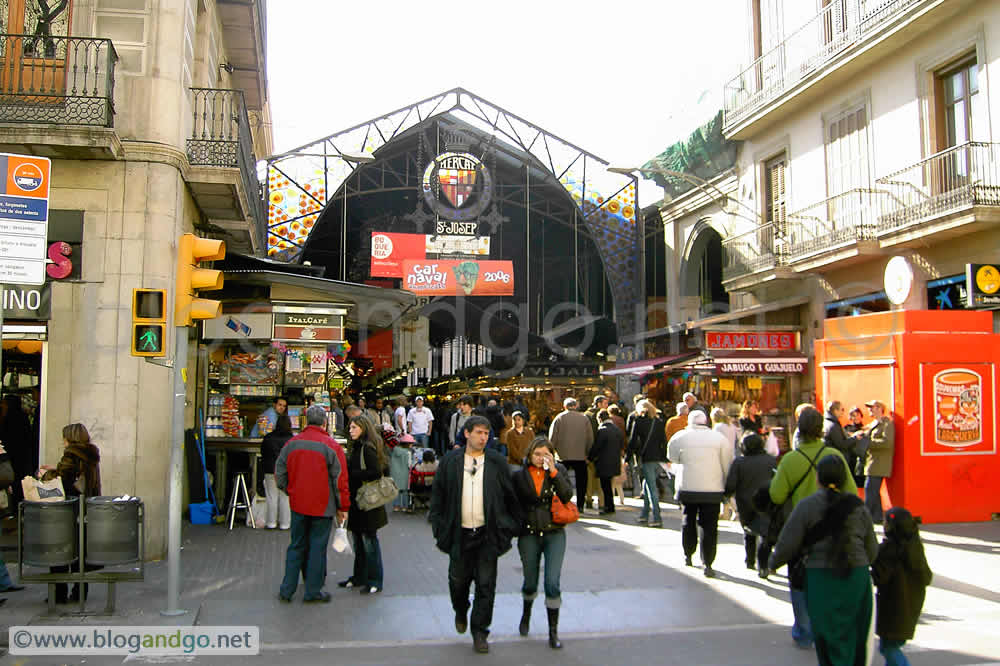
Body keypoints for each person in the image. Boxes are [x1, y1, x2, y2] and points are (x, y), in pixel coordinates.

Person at [769, 455, 877, 666]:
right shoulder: (858, 506)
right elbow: (871, 548)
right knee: (855, 633)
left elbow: (788, 542)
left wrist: (773, 563)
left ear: (818, 477)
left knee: (826, 634)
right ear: (845, 479)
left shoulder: (806, 506)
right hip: (856, 576)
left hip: (821, 578)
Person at [429, 415, 522, 654]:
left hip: (487, 534)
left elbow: (511, 496)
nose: (484, 437)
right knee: (457, 582)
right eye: (479, 432)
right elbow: (438, 496)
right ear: (467, 433)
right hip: (459, 534)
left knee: (486, 585)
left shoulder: (496, 462)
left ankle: (480, 632)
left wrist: (509, 527)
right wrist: (439, 527)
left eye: (486, 433)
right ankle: (461, 610)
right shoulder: (450, 461)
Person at [769, 406, 857, 649]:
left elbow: (776, 496)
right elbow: (850, 492)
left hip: (801, 532)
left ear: (800, 430)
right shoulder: (834, 456)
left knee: (798, 581)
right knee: (829, 578)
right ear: (820, 430)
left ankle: (803, 629)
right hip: (833, 529)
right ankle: (825, 624)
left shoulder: (790, 460)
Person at [275, 406, 347, 603]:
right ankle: (313, 590)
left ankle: (287, 589)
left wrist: (289, 489)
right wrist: (342, 507)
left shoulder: (292, 444)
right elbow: (340, 481)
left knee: (296, 545)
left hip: (298, 503)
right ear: (325, 422)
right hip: (323, 507)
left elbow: (279, 472)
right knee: (317, 547)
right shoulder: (333, 447)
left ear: (306, 422)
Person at [511, 436, 574, 649]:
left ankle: (553, 632)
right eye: (536, 454)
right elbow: (513, 504)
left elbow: (567, 495)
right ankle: (526, 613)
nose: (540, 459)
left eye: (545, 454)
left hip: (554, 532)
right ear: (529, 455)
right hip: (528, 533)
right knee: (530, 581)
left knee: (552, 582)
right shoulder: (519, 476)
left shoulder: (558, 471)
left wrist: (554, 472)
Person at [668, 410, 733, 576]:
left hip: (687, 487)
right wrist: (727, 488)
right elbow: (727, 464)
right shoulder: (719, 439)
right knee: (710, 526)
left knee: (688, 520)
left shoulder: (679, 437)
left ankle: (688, 554)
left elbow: (672, 457)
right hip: (712, 489)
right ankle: (708, 562)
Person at [41, 423, 101, 603]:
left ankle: (59, 594)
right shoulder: (91, 454)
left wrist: (46, 473)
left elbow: (63, 479)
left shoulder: (71, 454)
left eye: (64, 437)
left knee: (59, 548)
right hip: (86, 506)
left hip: (69, 508)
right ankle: (80, 591)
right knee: (80, 550)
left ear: (69, 438)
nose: (63, 441)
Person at [871, 506, 933, 666]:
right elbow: (927, 577)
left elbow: (880, 577)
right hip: (912, 604)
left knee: (888, 648)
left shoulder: (889, 549)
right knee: (893, 645)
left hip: (893, 606)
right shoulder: (915, 546)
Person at [340, 415, 389, 595]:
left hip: (367, 503)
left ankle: (375, 580)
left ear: (363, 428)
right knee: (360, 542)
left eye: (354, 427)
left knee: (368, 542)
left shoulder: (366, 449)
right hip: (360, 503)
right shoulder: (360, 447)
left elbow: (376, 472)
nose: (351, 431)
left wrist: (353, 473)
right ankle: (360, 576)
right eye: (350, 428)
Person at [724, 433, 776, 577]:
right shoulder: (770, 461)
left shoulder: (739, 462)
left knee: (749, 531)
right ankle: (764, 564)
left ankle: (750, 559)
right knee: (765, 533)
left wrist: (727, 495)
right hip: (766, 502)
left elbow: (731, 484)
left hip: (745, 503)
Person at [547, 398, 594, 513]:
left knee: (560, 481)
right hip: (580, 456)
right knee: (581, 482)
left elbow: (552, 438)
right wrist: (587, 454)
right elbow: (590, 439)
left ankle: (562, 503)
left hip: (563, 456)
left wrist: (552, 453)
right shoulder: (584, 419)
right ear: (576, 406)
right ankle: (580, 505)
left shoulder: (559, 418)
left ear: (564, 406)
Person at [628, 399, 668, 527]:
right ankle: (644, 514)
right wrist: (665, 458)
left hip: (646, 457)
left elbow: (632, 441)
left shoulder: (639, 421)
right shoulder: (659, 422)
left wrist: (627, 458)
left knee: (651, 487)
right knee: (647, 484)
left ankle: (657, 517)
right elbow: (664, 441)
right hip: (658, 458)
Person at [862, 400, 895, 525]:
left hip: (879, 463)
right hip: (872, 461)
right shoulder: (873, 424)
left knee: (870, 489)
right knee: (873, 491)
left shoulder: (887, 424)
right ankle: (876, 517)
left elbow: (887, 443)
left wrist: (868, 443)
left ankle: (865, 517)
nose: (870, 410)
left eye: (872, 407)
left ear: (880, 408)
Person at [261, 413, 294, 530]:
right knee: (285, 497)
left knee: (271, 496)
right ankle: (285, 523)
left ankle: (271, 523)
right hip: (286, 471)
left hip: (270, 470)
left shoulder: (268, 438)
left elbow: (263, 454)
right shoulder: (292, 440)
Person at [588, 410, 624, 515]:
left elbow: (597, 447)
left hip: (604, 462)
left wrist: (590, 458)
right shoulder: (617, 430)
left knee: (606, 487)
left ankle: (608, 507)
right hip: (615, 461)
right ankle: (610, 506)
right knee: (609, 486)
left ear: (600, 419)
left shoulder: (602, 430)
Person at [390, 433, 414, 512]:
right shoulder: (408, 453)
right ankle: (404, 506)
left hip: (395, 474)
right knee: (405, 491)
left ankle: (396, 506)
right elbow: (410, 464)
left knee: (396, 490)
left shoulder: (394, 450)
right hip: (405, 474)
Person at [844, 406, 867, 487]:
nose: (856, 417)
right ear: (850, 417)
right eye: (853, 415)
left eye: (857, 415)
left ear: (861, 416)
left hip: (862, 463)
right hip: (850, 461)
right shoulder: (846, 428)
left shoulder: (865, 429)